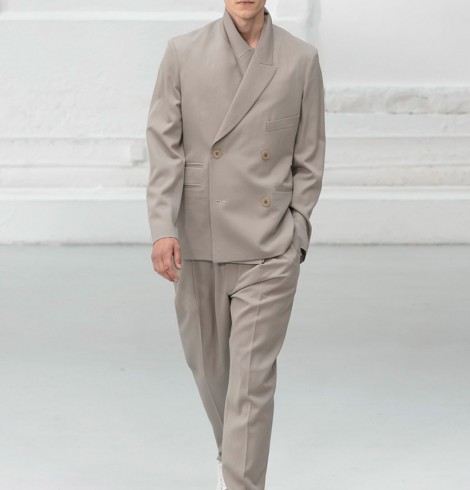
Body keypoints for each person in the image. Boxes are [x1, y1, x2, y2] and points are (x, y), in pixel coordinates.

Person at [146, 1, 326, 488]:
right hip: (197, 239)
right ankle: (235, 456)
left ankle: (241, 479)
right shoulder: (182, 53)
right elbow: (164, 148)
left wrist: (296, 234)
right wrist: (163, 226)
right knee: (209, 370)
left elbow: (309, 157)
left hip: (269, 245)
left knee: (251, 382)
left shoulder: (300, 59)